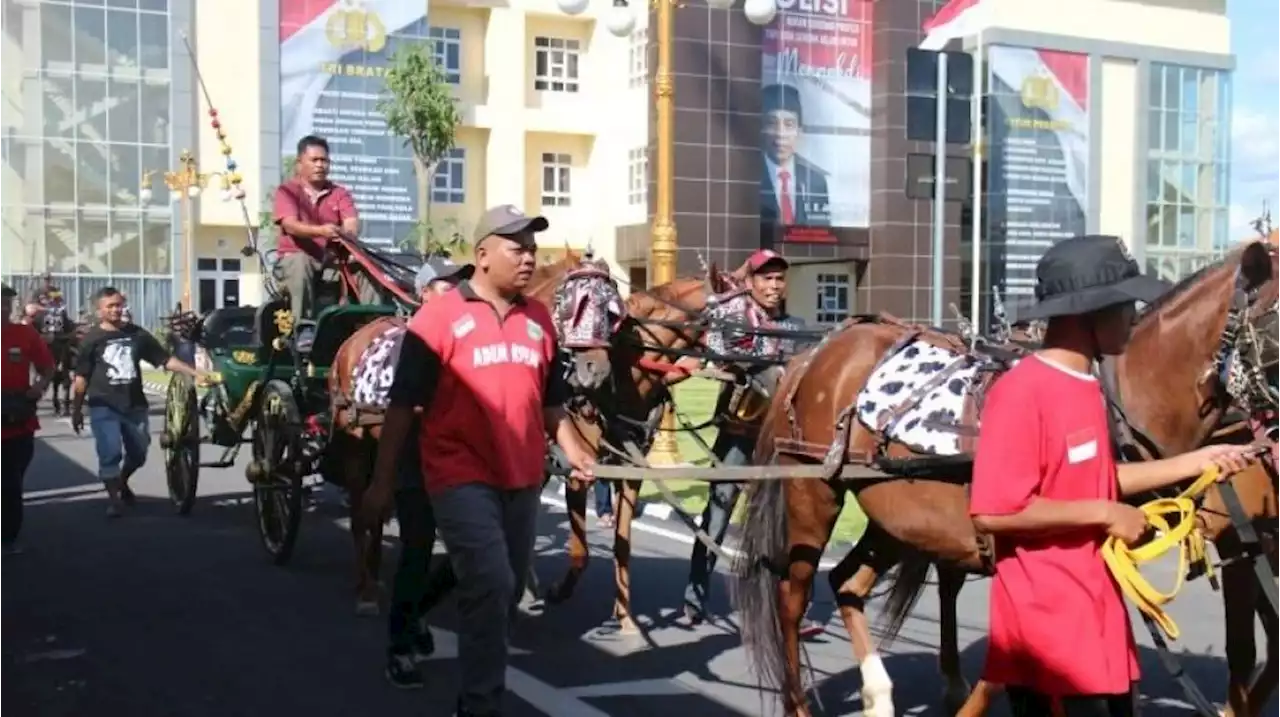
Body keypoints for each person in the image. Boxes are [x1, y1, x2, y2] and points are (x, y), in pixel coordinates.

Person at [969, 234, 1258, 717]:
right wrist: (1106, 514)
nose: (1134, 316)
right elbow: (994, 510)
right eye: (1124, 304)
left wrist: (1201, 461)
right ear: (1087, 314)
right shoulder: (1022, 391)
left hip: (1096, 613)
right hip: (1048, 635)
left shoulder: (1087, 386)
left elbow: (1098, 479)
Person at [365, 205, 596, 716]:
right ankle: (479, 705)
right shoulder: (439, 318)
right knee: (492, 581)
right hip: (458, 474)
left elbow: (551, 404)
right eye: (518, 248)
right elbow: (402, 406)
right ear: (483, 255)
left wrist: (576, 450)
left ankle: (468, 668)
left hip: (521, 475)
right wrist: (382, 483)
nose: (529, 258)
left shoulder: (539, 320)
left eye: (533, 250)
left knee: (506, 589)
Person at [680, 249, 822, 636]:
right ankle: (695, 595)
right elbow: (722, 347)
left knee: (782, 526)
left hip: (782, 441)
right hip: (739, 433)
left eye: (779, 279)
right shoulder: (735, 320)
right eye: (766, 279)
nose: (774, 286)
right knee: (719, 512)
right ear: (752, 283)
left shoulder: (796, 327)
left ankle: (791, 607)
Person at [374, 255, 472, 689]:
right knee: (416, 551)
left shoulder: (471, 332)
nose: (454, 290)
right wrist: (382, 480)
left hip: (462, 460)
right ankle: (399, 648)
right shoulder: (411, 340)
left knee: (467, 556)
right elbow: (398, 411)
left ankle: (415, 614)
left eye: (458, 283)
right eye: (443, 284)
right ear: (422, 294)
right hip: (416, 459)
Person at [71, 287, 203, 517]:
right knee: (110, 452)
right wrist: (76, 410)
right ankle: (114, 501)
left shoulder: (137, 334)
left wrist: (194, 372)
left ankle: (122, 480)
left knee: (139, 454)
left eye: (118, 305)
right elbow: (81, 378)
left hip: (134, 405)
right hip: (103, 406)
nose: (115, 310)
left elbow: (165, 359)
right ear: (99, 310)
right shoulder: (91, 340)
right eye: (109, 306)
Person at [272, 134, 379, 323]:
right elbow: (290, 225)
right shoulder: (287, 191)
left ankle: (375, 326)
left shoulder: (340, 193)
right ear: (299, 163)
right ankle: (303, 327)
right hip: (294, 260)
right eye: (314, 160)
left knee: (367, 265)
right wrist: (321, 231)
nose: (320, 165)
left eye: (324, 160)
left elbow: (351, 223)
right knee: (301, 262)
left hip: (332, 262)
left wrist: (346, 236)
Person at [0, 284, 55, 556]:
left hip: (17, 423)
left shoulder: (25, 334)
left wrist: (40, 385)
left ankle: (8, 539)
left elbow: (48, 367)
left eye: (5, 304)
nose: (2, 309)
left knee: (11, 484)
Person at [760, 84, 831, 227]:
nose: (780, 134)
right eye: (772, 123)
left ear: (799, 131)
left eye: (789, 124)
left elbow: (822, 232)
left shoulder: (815, 181)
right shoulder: (750, 178)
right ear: (761, 128)